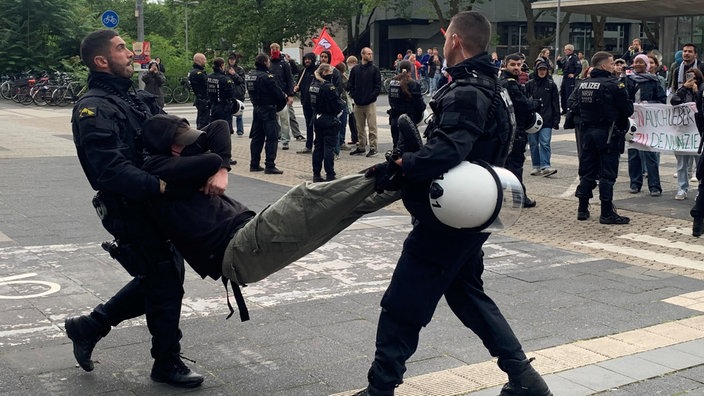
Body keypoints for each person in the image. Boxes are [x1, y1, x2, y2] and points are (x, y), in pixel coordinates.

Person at [354, 11, 552, 396]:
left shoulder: (467, 90)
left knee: (403, 301)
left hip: (450, 217)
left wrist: (403, 164)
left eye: (446, 39)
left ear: (456, 41)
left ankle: (380, 388)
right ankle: (525, 378)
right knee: (466, 295)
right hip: (471, 212)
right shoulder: (496, 86)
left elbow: (449, 150)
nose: (443, 45)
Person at [65, 29, 204, 388]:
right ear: (101, 61)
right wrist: (160, 185)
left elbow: (173, 134)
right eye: (121, 48)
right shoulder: (92, 107)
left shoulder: (136, 98)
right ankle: (166, 363)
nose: (130, 54)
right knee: (165, 280)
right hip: (129, 207)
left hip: (158, 203)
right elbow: (107, 169)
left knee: (161, 278)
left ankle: (90, 326)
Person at [139, 113, 402, 293]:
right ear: (168, 148)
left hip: (246, 242)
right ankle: (392, 167)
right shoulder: (156, 167)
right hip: (238, 249)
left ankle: (402, 183)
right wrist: (216, 163)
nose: (190, 146)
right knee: (306, 199)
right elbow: (209, 159)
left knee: (339, 211)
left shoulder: (178, 165)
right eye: (182, 143)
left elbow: (219, 125)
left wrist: (222, 170)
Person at [570, 51, 634, 224]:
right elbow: (628, 109)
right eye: (612, 64)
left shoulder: (583, 84)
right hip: (608, 133)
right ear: (604, 65)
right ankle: (606, 212)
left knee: (587, 171)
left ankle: (582, 209)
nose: (614, 67)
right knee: (607, 173)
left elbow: (573, 105)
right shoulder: (614, 84)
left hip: (587, 133)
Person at [501, 53, 541, 208]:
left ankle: (504, 197)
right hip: (515, 131)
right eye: (513, 65)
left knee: (506, 165)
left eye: (519, 65)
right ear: (506, 65)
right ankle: (519, 197)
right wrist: (536, 103)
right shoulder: (511, 84)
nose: (516, 68)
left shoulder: (502, 82)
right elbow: (524, 105)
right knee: (515, 165)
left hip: (507, 130)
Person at [626, 53, 666, 196]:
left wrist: (648, 105)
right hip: (632, 121)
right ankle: (635, 183)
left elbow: (662, 100)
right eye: (635, 62)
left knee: (649, 153)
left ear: (646, 65)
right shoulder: (628, 80)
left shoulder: (654, 81)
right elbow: (623, 97)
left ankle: (654, 186)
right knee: (633, 153)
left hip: (648, 122)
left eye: (640, 62)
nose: (637, 65)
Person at [246, 53, 287, 174]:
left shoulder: (250, 75)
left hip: (256, 108)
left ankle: (254, 164)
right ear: (265, 62)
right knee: (272, 137)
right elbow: (278, 94)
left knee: (257, 137)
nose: (269, 63)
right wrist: (281, 103)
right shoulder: (267, 77)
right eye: (268, 61)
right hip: (268, 109)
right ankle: (270, 165)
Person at [669, 67, 703, 201]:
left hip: (697, 133)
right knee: (682, 163)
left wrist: (697, 92)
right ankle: (682, 188)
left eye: (694, 77)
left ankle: (701, 189)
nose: (691, 79)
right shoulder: (682, 90)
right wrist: (684, 88)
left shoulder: (701, 89)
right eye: (689, 76)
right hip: (683, 132)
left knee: (700, 163)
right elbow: (674, 101)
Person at [310, 63, 345, 181]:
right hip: (329, 119)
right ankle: (330, 174)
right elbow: (336, 104)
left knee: (318, 147)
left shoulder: (313, 85)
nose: (332, 74)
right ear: (324, 73)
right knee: (328, 148)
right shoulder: (328, 87)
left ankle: (316, 173)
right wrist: (342, 104)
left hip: (317, 118)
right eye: (330, 72)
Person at [526, 61, 560, 176]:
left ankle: (545, 165)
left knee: (545, 143)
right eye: (540, 69)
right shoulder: (530, 84)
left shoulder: (551, 85)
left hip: (547, 118)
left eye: (544, 70)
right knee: (534, 143)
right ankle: (536, 166)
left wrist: (556, 119)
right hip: (532, 119)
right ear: (536, 70)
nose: (542, 72)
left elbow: (555, 102)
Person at [349, 47, 382, 157]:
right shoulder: (355, 70)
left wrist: (372, 97)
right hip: (358, 102)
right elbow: (350, 84)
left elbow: (378, 86)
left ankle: (373, 147)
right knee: (359, 127)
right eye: (368, 54)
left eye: (371, 54)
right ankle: (361, 146)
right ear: (362, 55)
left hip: (370, 103)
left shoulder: (374, 69)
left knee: (372, 126)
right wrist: (353, 95)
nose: (370, 55)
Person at [387, 60, 425, 148]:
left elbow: (390, 100)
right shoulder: (413, 84)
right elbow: (419, 104)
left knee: (396, 146)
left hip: (394, 118)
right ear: (410, 70)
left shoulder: (392, 82)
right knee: (407, 147)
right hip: (407, 120)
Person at [268, 43, 296, 151]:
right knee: (272, 119)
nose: (274, 50)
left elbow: (289, 79)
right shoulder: (268, 63)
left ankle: (285, 140)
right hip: (271, 95)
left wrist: (290, 95)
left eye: (276, 48)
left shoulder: (284, 63)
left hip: (283, 94)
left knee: (285, 119)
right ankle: (276, 136)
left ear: (279, 49)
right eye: (272, 49)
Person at [294, 52, 318, 154]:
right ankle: (308, 145)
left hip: (316, 103)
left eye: (309, 59)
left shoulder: (317, 71)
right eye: (305, 59)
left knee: (317, 125)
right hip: (305, 102)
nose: (307, 61)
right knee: (308, 124)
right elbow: (299, 85)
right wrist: (296, 88)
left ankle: (318, 145)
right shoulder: (302, 71)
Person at [207, 57, 236, 134]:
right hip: (224, 107)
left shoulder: (209, 76)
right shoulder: (225, 79)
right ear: (222, 65)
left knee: (214, 129)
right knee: (225, 130)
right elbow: (231, 93)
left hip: (213, 106)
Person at [556, 44, 582, 114]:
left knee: (569, 94)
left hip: (570, 80)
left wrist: (574, 74)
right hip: (565, 78)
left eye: (565, 50)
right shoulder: (567, 58)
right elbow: (562, 66)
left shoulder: (574, 58)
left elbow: (579, 68)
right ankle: (564, 109)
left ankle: (569, 109)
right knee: (563, 93)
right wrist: (558, 61)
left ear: (570, 50)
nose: (564, 51)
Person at [334, 62, 352, 155]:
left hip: (341, 101)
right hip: (342, 101)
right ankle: (341, 142)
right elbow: (348, 86)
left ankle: (340, 142)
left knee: (341, 123)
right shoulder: (340, 77)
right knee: (342, 123)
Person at [188, 53, 210, 129]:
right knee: (204, 121)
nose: (205, 61)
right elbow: (206, 84)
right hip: (203, 99)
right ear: (199, 60)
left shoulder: (194, 72)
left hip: (200, 99)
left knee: (201, 118)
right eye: (204, 59)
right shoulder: (198, 73)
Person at [227, 53, 246, 136]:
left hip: (238, 94)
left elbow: (241, 80)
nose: (231, 61)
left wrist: (234, 74)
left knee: (239, 113)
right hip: (230, 93)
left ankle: (240, 131)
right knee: (229, 114)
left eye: (233, 59)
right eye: (230, 59)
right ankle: (229, 129)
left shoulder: (239, 69)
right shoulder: (225, 69)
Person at [346, 55, 360, 146]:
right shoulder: (348, 73)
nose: (349, 65)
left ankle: (360, 138)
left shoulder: (358, 72)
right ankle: (354, 138)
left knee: (357, 121)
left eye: (350, 63)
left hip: (356, 99)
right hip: (350, 100)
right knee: (351, 120)